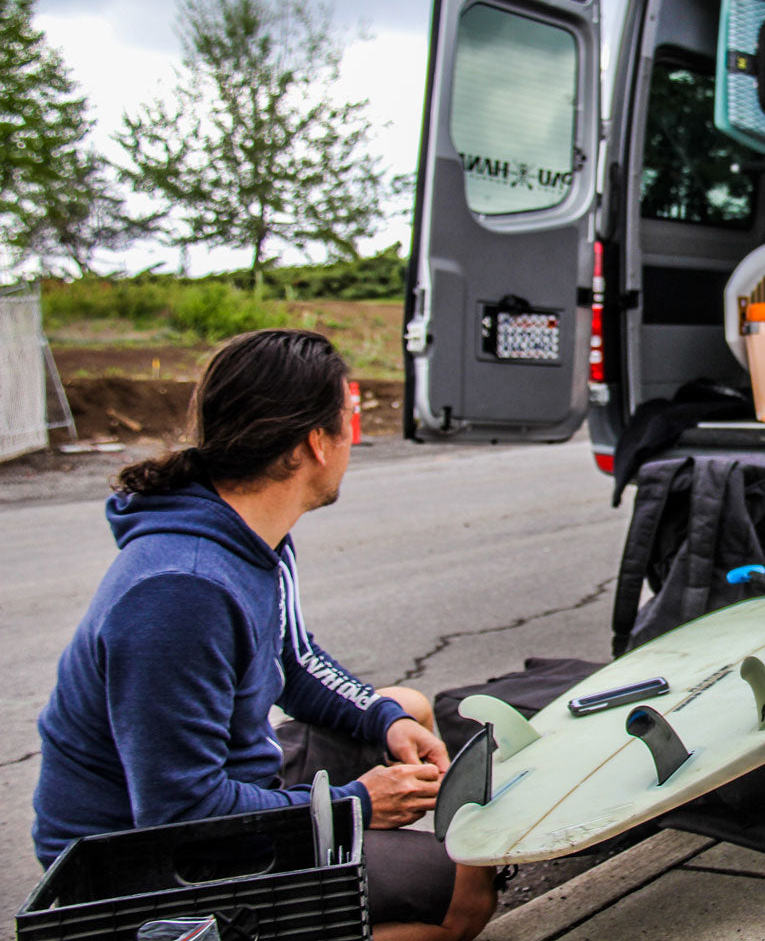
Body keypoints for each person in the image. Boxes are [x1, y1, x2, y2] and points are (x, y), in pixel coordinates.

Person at [32, 329, 497, 941]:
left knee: (406, 707)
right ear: (315, 442)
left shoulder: (254, 533)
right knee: (463, 888)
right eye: (349, 416)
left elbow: (295, 663)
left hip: (221, 788)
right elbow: (179, 814)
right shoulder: (179, 590)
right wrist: (354, 805)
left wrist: (386, 720)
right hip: (136, 869)